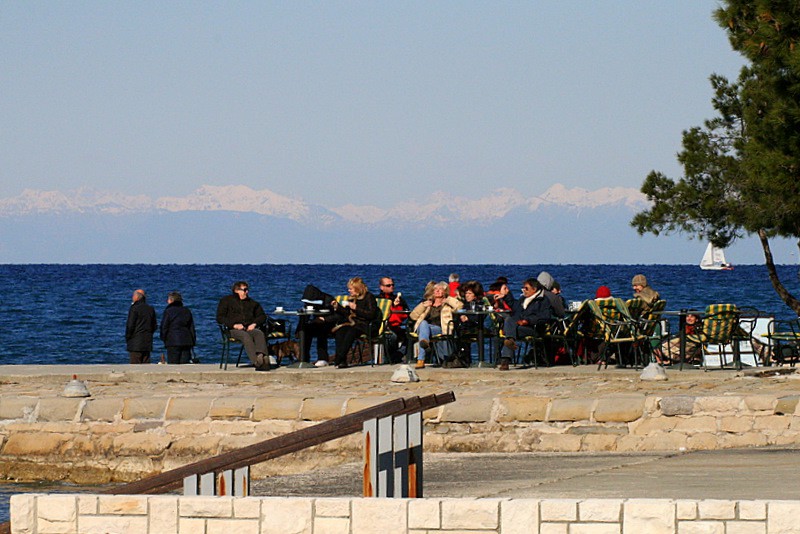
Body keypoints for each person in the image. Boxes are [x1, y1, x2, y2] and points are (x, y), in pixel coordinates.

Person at [494, 279, 553, 371]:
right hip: (519, 326)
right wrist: (506, 296)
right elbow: (514, 305)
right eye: (523, 288)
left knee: (509, 332)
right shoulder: (523, 299)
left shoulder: (543, 301)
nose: (523, 290)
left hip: (533, 328)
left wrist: (528, 321)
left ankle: (505, 358)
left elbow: (545, 317)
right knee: (509, 320)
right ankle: (507, 353)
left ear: (534, 289)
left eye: (526, 288)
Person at [216, 281, 270, 371]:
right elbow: (220, 318)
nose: (246, 292)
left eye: (247, 290)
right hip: (232, 330)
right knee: (245, 336)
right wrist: (234, 325)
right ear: (236, 290)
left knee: (259, 333)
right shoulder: (226, 301)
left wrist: (254, 324)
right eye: (244, 290)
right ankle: (256, 362)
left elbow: (262, 316)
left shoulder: (252, 303)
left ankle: (262, 356)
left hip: (248, 328)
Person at [410, 281, 463, 369]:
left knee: (424, 326)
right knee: (423, 324)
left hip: (439, 329)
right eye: (435, 289)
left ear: (445, 292)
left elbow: (460, 307)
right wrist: (423, 305)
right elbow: (413, 316)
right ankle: (425, 342)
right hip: (424, 328)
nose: (437, 291)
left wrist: (448, 300)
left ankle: (421, 359)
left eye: (440, 289)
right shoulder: (428, 303)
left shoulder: (447, 305)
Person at [331, 277, 379, 369]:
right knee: (341, 330)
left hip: (366, 325)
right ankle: (342, 361)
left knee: (351, 331)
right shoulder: (352, 298)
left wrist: (356, 308)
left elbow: (371, 315)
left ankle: (339, 357)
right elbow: (347, 313)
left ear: (357, 288)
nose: (349, 291)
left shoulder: (369, 297)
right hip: (354, 323)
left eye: (351, 289)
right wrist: (338, 307)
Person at [451, 280, 487, 368]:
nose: (467, 295)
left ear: (475, 295)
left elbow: (480, 317)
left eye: (470, 293)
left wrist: (468, 318)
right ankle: (462, 358)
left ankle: (467, 359)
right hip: (464, 327)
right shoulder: (464, 304)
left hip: (476, 327)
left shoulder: (480, 304)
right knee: (459, 329)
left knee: (463, 331)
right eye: (466, 293)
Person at [377, 276, 409, 363]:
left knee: (410, 335)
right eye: (388, 285)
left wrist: (398, 306)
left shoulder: (400, 299)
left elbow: (406, 314)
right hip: (383, 327)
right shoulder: (378, 299)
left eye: (392, 285)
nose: (391, 287)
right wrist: (393, 306)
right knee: (392, 336)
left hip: (396, 326)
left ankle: (398, 354)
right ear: (381, 287)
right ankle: (391, 357)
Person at [160, 291, 196, 364]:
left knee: (173, 364)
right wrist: (192, 341)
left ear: (171, 300)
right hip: (186, 340)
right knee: (184, 364)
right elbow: (191, 327)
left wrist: (164, 338)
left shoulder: (168, 311)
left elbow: (164, 327)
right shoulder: (186, 310)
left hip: (172, 341)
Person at [126, 289, 157, 364]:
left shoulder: (134, 308)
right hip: (147, 341)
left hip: (135, 342)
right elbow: (154, 326)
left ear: (137, 297)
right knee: (146, 364)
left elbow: (130, 325)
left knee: (135, 364)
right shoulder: (150, 309)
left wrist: (128, 337)